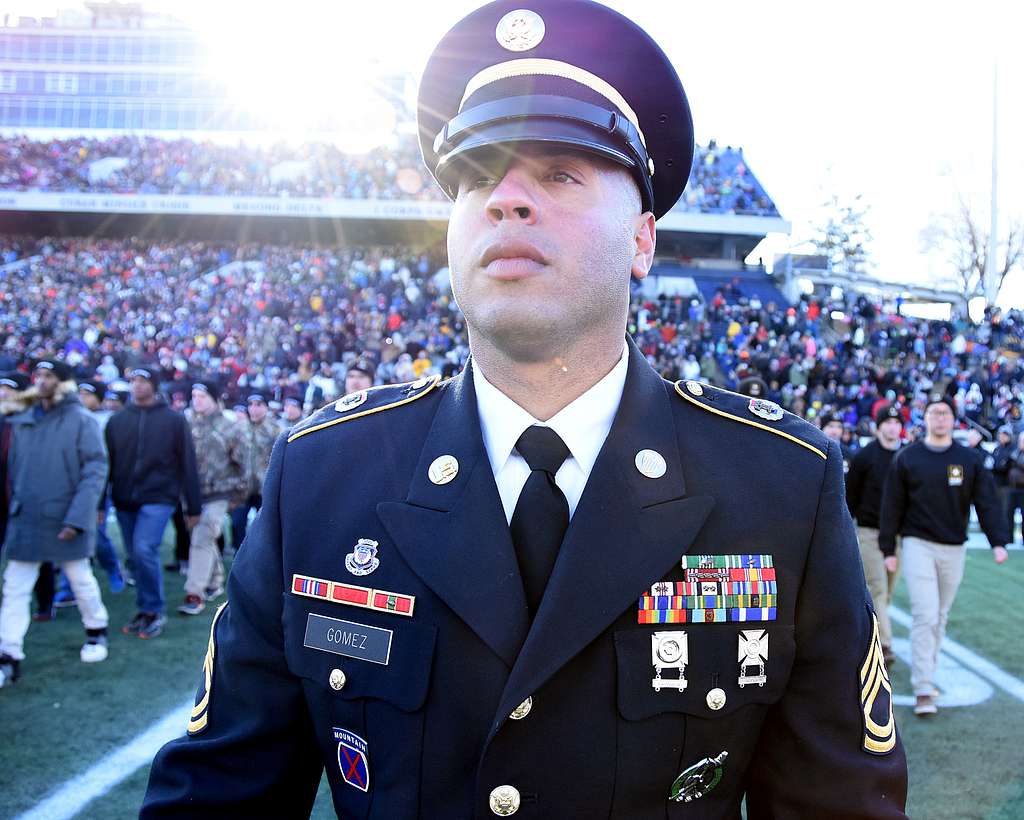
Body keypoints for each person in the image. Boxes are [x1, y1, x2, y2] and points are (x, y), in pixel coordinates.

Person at [143, 2, 907, 816]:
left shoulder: (778, 484)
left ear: (644, 240)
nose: (505, 197)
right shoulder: (325, 472)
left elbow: (839, 802)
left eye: (560, 172)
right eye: (476, 176)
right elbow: (220, 791)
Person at [879, 394, 1009, 717]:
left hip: (954, 547)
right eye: (934, 412)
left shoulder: (970, 459)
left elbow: (987, 502)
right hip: (917, 543)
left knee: (940, 616)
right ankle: (924, 687)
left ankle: (929, 672)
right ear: (925, 419)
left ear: (954, 419)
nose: (940, 418)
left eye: (945, 413)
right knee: (926, 613)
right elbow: (892, 504)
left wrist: (998, 541)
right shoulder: (908, 458)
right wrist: (887, 548)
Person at [0, 360, 109, 687]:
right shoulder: (25, 420)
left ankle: (96, 631)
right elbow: (15, 470)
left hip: (66, 517)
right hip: (27, 517)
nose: (42, 381)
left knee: (80, 579)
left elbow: (95, 472)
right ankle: (9, 654)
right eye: (39, 376)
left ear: (63, 383)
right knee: (15, 587)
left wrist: (77, 519)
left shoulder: (82, 421)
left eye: (49, 376)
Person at [105, 368, 202, 640]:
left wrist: (193, 506)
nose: (136, 385)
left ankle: (154, 610)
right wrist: (102, 503)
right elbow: (107, 464)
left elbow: (188, 464)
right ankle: (145, 609)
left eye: (143, 380)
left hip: (159, 497)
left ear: (154, 385)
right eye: (133, 380)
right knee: (136, 556)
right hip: (124, 499)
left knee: (144, 548)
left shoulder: (173, 421)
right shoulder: (117, 420)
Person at [178, 381, 247, 616]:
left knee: (202, 536)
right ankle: (215, 580)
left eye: (202, 396)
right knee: (204, 538)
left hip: (219, 493)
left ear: (214, 398)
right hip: (192, 493)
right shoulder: (186, 424)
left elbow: (243, 463)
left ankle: (194, 593)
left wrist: (239, 494)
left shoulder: (230, 427)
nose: (196, 400)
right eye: (194, 395)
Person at [846, 402, 904, 666]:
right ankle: (885, 644)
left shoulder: (905, 457)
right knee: (878, 588)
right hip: (870, 530)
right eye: (888, 423)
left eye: (896, 423)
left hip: (898, 535)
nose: (893, 427)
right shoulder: (865, 457)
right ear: (879, 427)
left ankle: (873, 632)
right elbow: (851, 495)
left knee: (888, 591)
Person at [229, 393, 278, 553]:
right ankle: (240, 554)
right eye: (251, 405)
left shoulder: (276, 429)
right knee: (237, 523)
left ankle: (261, 557)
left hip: (265, 489)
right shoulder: (239, 428)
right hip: (242, 487)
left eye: (258, 405)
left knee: (266, 528)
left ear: (266, 407)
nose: (254, 409)